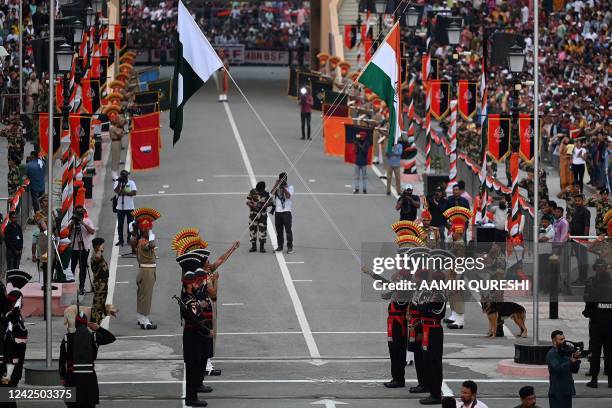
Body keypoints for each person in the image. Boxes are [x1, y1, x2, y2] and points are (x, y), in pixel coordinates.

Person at [59, 312, 116, 408]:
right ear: (86, 323)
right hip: (89, 378)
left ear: (76, 324)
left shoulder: (67, 339)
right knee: (89, 404)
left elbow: (62, 361)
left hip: (72, 377)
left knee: (72, 404)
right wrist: (98, 328)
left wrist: (62, 377)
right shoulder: (93, 337)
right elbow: (111, 338)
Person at [178, 260, 213, 407]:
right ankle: (191, 398)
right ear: (189, 284)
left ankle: (193, 395)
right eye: (193, 282)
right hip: (193, 337)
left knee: (196, 365)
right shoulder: (189, 301)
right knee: (192, 368)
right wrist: (207, 331)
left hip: (193, 336)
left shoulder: (190, 299)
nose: (196, 284)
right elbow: (195, 320)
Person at [409, 269, 446, 405]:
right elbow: (420, 305)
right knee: (428, 360)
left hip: (434, 331)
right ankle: (431, 389)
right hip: (427, 329)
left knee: (434, 362)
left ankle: (436, 394)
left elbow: (422, 307)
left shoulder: (439, 295)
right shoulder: (432, 293)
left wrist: (422, 306)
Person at [582, 258, 612, 388]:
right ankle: (610, 379)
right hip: (610, 326)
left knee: (595, 353)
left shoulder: (595, 291)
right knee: (610, 352)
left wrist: (590, 312)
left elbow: (587, 308)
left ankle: (594, 379)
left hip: (596, 326)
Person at [0, 290, 27, 405]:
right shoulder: (10, 317)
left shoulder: (14, 316)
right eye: (21, 300)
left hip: (14, 361)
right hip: (9, 362)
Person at [546, 330, 581, 408]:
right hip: (557, 391)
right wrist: (570, 361)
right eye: (561, 339)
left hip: (567, 390)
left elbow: (574, 370)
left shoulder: (566, 352)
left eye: (564, 339)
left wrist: (576, 360)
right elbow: (557, 369)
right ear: (554, 341)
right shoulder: (552, 354)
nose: (564, 341)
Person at [68, 206, 96, 295]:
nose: (78, 215)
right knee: (72, 266)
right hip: (74, 248)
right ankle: (70, 285)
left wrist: (82, 223)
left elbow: (92, 231)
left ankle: (82, 286)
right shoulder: (72, 220)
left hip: (84, 248)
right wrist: (73, 222)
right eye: (77, 213)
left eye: (80, 213)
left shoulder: (88, 221)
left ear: (84, 213)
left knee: (82, 267)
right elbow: (67, 231)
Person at [135, 219, 157, 329]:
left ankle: (140, 317)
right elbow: (152, 245)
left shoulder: (141, 240)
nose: (150, 230)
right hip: (147, 272)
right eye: (148, 229)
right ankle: (145, 321)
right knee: (146, 296)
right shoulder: (143, 241)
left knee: (141, 295)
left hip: (144, 271)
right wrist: (151, 235)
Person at [568, 194, 590, 284]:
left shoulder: (585, 211)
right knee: (579, 259)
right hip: (575, 239)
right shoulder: (575, 211)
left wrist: (585, 239)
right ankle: (580, 278)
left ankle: (584, 279)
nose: (577, 202)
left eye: (579, 200)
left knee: (583, 260)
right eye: (576, 200)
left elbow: (587, 225)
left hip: (581, 239)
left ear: (583, 201)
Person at [246, 181, 272, 253]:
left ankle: (262, 247)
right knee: (252, 229)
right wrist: (254, 206)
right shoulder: (252, 192)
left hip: (262, 215)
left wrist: (265, 205)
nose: (261, 191)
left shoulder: (266, 193)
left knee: (262, 230)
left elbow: (271, 202)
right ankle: (253, 246)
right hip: (253, 213)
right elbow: (247, 201)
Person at [113, 170, 137, 246]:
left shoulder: (131, 182)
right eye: (123, 176)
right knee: (120, 225)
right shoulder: (117, 182)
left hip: (130, 207)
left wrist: (124, 192)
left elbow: (134, 193)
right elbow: (116, 190)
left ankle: (129, 239)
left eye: (125, 176)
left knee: (130, 225)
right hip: (120, 208)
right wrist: (119, 183)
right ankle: (120, 240)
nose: (124, 177)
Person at [90, 238, 111, 325]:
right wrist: (99, 249)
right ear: (98, 246)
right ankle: (95, 325)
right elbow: (97, 257)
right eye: (102, 244)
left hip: (103, 285)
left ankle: (97, 324)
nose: (104, 246)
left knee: (101, 306)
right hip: (99, 286)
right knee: (97, 306)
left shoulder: (98, 255)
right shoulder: (95, 255)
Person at [273, 172, 294, 254]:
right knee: (279, 231)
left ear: (286, 179)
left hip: (286, 212)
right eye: (280, 179)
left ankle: (290, 247)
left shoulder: (290, 187)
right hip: (278, 212)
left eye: (283, 179)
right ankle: (280, 246)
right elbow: (271, 193)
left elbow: (288, 196)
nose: (282, 181)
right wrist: (276, 185)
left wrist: (283, 188)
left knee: (288, 230)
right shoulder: (277, 187)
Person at [109, 115, 126, 181]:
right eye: (115, 120)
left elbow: (121, 134)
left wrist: (124, 131)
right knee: (115, 159)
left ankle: (115, 174)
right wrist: (122, 128)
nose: (116, 121)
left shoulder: (115, 127)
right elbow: (119, 133)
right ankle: (114, 175)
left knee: (117, 158)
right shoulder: (112, 127)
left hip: (118, 142)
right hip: (115, 142)